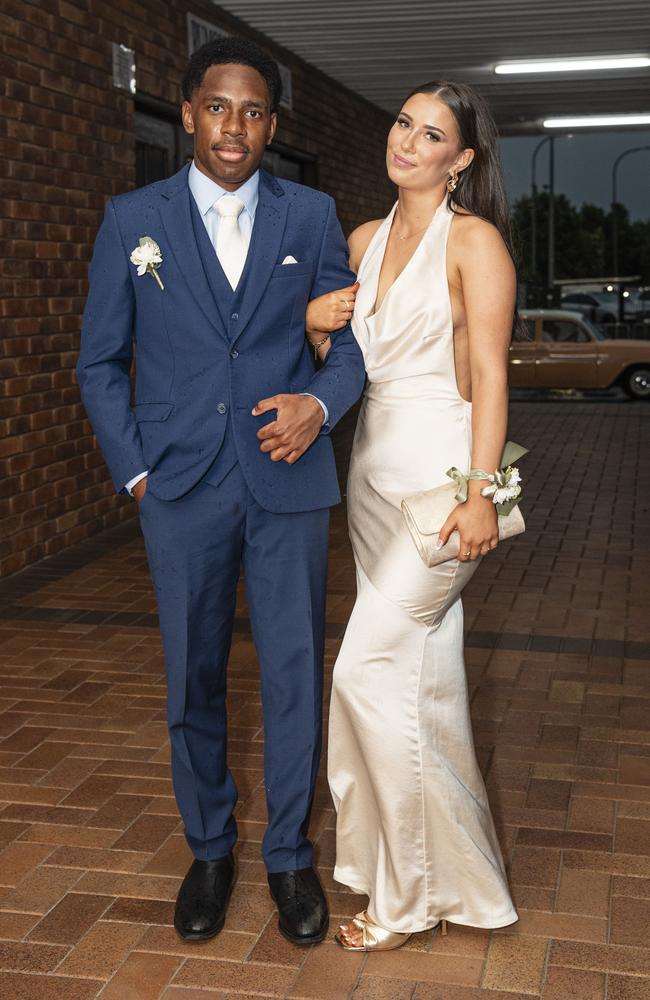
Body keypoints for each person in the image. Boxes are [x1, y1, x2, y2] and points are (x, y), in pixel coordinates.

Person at [76, 37, 365, 946]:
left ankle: (288, 856)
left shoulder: (312, 215)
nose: (233, 126)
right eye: (216, 107)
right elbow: (98, 362)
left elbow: (348, 346)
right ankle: (209, 849)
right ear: (189, 112)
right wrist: (137, 468)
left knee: (290, 678)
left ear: (270, 126)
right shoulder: (133, 220)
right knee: (193, 679)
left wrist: (319, 404)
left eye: (251, 112)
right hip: (182, 488)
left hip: (286, 481)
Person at [306, 80, 520, 951]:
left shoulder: (476, 243)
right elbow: (347, 367)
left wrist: (480, 493)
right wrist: (318, 327)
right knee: (420, 687)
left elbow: (495, 379)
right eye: (403, 122)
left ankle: (401, 900)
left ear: (460, 159)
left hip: (445, 485)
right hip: (371, 479)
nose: (407, 140)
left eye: (430, 133)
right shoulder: (361, 239)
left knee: (364, 672)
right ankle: (458, 885)